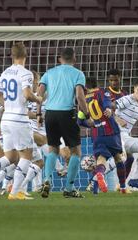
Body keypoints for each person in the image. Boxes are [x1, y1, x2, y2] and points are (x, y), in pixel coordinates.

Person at [0, 42, 42, 200]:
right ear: (25, 56)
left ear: (12, 56)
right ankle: (15, 192)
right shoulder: (26, 73)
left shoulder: (5, 73)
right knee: (26, 156)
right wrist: (38, 99)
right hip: (19, 120)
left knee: (11, 157)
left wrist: (9, 106)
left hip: (6, 120)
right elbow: (26, 94)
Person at [37, 47, 89, 198]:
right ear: (75, 59)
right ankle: (69, 188)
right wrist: (86, 114)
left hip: (50, 114)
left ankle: (47, 180)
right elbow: (80, 96)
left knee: (53, 149)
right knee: (76, 152)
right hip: (66, 114)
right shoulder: (78, 74)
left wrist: (39, 113)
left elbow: (39, 94)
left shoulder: (49, 73)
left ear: (60, 59)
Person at [78, 77, 127, 193]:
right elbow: (106, 103)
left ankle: (99, 175)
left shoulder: (83, 101)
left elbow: (80, 122)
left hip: (96, 134)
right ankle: (123, 187)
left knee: (101, 159)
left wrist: (92, 124)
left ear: (86, 88)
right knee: (118, 158)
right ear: (97, 84)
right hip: (111, 130)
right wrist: (108, 109)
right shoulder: (102, 92)